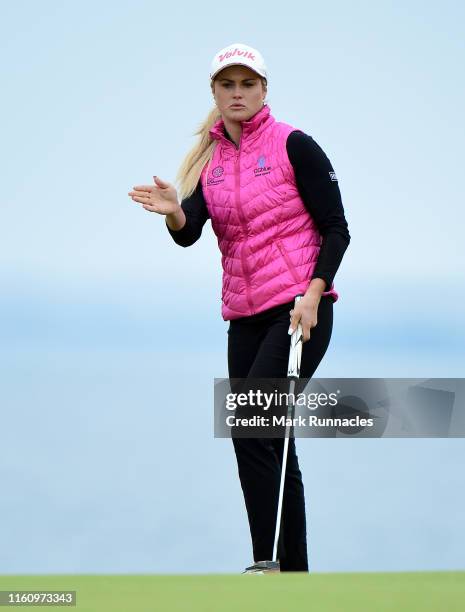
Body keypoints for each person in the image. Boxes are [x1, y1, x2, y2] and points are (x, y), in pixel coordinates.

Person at [128, 42, 350, 574]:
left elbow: (337, 230)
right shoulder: (213, 164)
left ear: (263, 90)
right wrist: (175, 213)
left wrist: (314, 295)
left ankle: (265, 562)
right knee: (273, 439)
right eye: (227, 85)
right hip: (243, 319)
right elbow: (190, 233)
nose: (237, 93)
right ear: (214, 92)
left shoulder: (296, 145)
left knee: (249, 423)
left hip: (300, 311)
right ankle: (291, 572)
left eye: (247, 84)